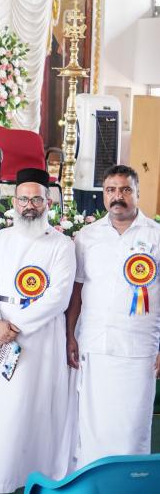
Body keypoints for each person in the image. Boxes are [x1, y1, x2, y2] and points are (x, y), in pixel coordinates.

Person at [0, 168, 75, 494]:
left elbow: (59, 296)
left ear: (48, 202)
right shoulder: (0, 238)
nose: (29, 206)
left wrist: (16, 326)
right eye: (23, 199)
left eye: (36, 199)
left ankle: (28, 477)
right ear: (14, 202)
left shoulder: (62, 245)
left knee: (27, 407)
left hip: (38, 336)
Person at [66, 164, 160, 468]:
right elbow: (77, 291)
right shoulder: (87, 236)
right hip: (95, 344)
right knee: (93, 426)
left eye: (125, 189)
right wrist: (70, 335)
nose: (118, 196)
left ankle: (129, 483)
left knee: (132, 427)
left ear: (137, 193)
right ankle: (94, 482)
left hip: (139, 348)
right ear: (104, 194)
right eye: (111, 190)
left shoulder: (156, 235)